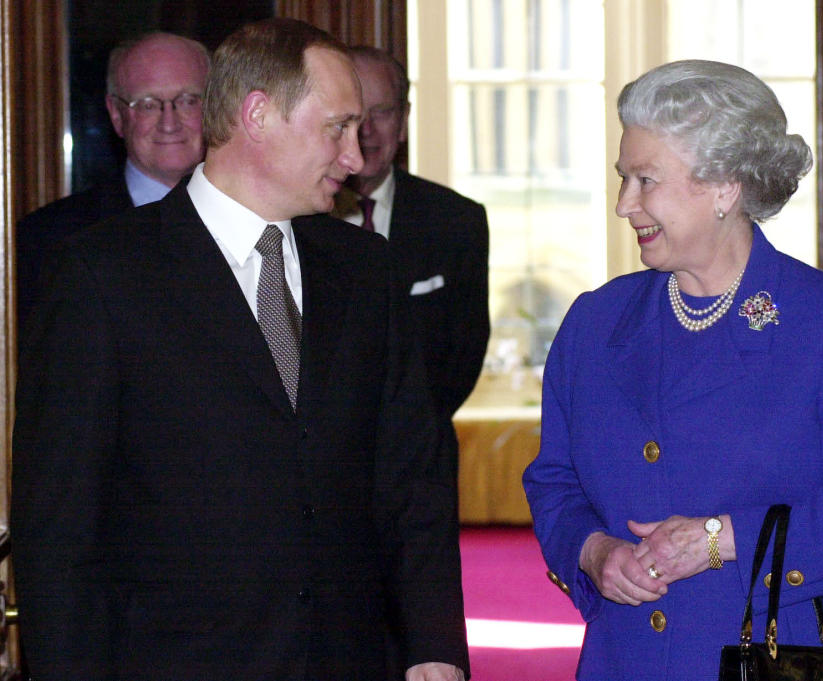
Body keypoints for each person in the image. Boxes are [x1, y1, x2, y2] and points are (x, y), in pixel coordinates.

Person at [12, 18, 468, 681]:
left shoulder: (366, 270)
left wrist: (434, 646)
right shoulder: (102, 274)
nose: (355, 155)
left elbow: (412, 482)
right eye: (336, 127)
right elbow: (59, 529)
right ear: (258, 116)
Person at [522, 59, 823, 680]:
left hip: (774, 656)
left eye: (646, 180)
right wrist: (592, 551)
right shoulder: (595, 323)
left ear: (725, 189)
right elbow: (554, 479)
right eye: (623, 178)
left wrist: (721, 540)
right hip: (625, 660)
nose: (626, 204)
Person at [334, 45, 490, 483]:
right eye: (349, 116)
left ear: (403, 121)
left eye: (380, 113)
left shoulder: (457, 221)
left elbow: (464, 353)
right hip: (313, 473)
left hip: (422, 468)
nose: (364, 131)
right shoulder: (294, 219)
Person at [15, 31, 210, 329]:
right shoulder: (48, 241)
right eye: (147, 104)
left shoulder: (262, 226)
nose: (169, 122)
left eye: (187, 101)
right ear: (117, 116)